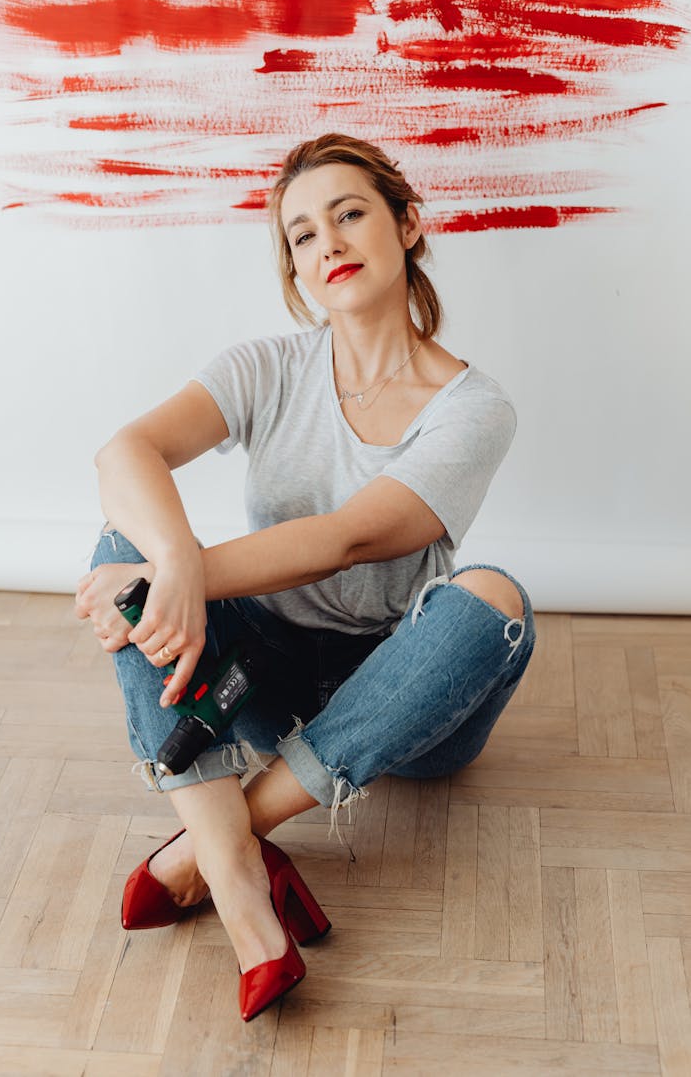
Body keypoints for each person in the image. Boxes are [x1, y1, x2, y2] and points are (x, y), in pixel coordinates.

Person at [75, 133, 536, 1022]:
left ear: (406, 224)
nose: (327, 242)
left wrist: (181, 574)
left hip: (404, 693)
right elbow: (125, 451)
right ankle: (243, 889)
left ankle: (211, 840)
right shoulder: (269, 366)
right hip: (260, 676)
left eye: (350, 213)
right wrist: (169, 568)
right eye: (302, 234)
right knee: (118, 550)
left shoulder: (475, 407)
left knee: (496, 599)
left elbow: (352, 537)